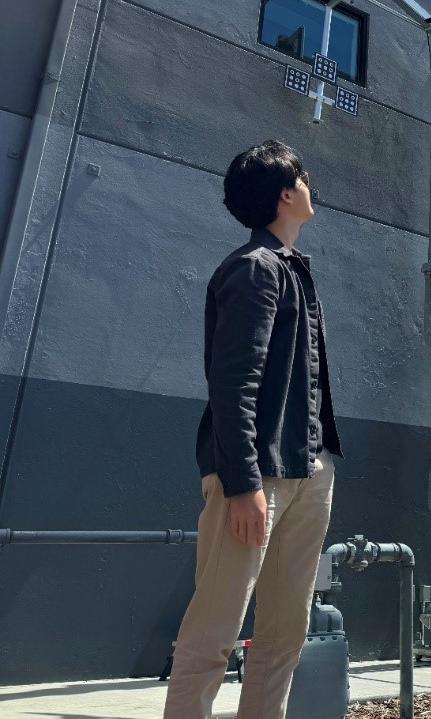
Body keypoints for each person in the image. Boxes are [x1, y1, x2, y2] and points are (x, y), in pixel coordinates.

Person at [164, 140, 342, 719]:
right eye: (304, 177)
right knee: (215, 629)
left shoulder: (290, 269)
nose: (311, 185)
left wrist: (320, 462)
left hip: (308, 469)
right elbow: (232, 382)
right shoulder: (253, 269)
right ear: (286, 194)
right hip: (256, 475)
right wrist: (242, 484)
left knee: (284, 635)